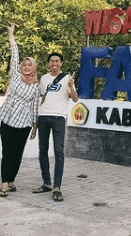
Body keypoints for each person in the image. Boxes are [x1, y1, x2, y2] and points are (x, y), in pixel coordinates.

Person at [0, 23, 39, 197]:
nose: (27, 67)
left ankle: (11, 180)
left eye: (30, 65)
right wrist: (11, 35)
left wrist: (35, 127)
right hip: (7, 119)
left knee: (17, 154)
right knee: (7, 152)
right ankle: (4, 184)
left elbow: (35, 106)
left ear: (34, 68)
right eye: (25, 64)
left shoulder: (36, 87)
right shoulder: (15, 75)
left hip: (24, 124)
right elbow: (15, 54)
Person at [32, 51, 78, 201]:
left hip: (59, 118)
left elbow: (75, 99)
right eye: (52, 61)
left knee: (59, 152)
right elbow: (39, 97)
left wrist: (71, 86)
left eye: (57, 61)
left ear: (61, 63)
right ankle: (47, 183)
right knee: (42, 150)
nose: (54, 64)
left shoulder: (67, 78)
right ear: (48, 63)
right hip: (43, 117)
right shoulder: (44, 78)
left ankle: (57, 187)